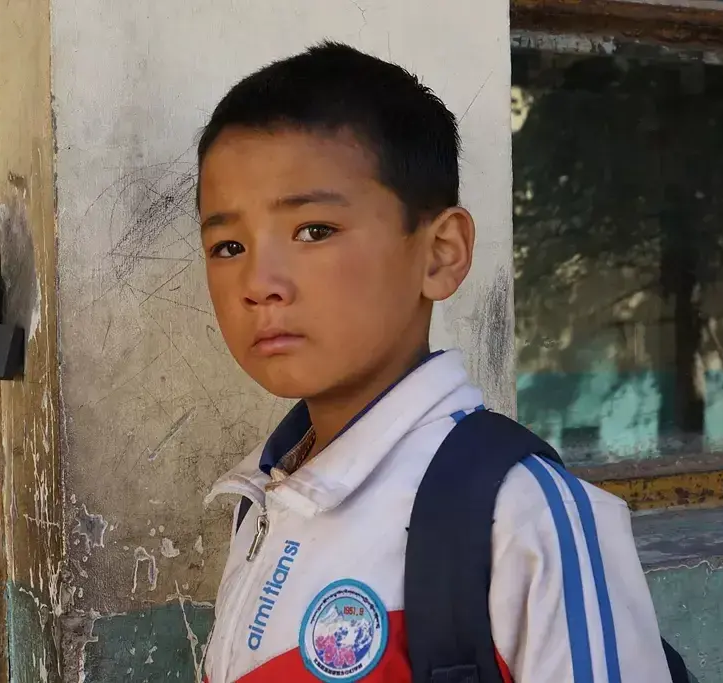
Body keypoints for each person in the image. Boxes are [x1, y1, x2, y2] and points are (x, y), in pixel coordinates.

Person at [197, 41, 671, 683]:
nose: (259, 282)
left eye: (314, 231)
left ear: (440, 253)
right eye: (228, 245)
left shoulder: (519, 515)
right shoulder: (265, 498)